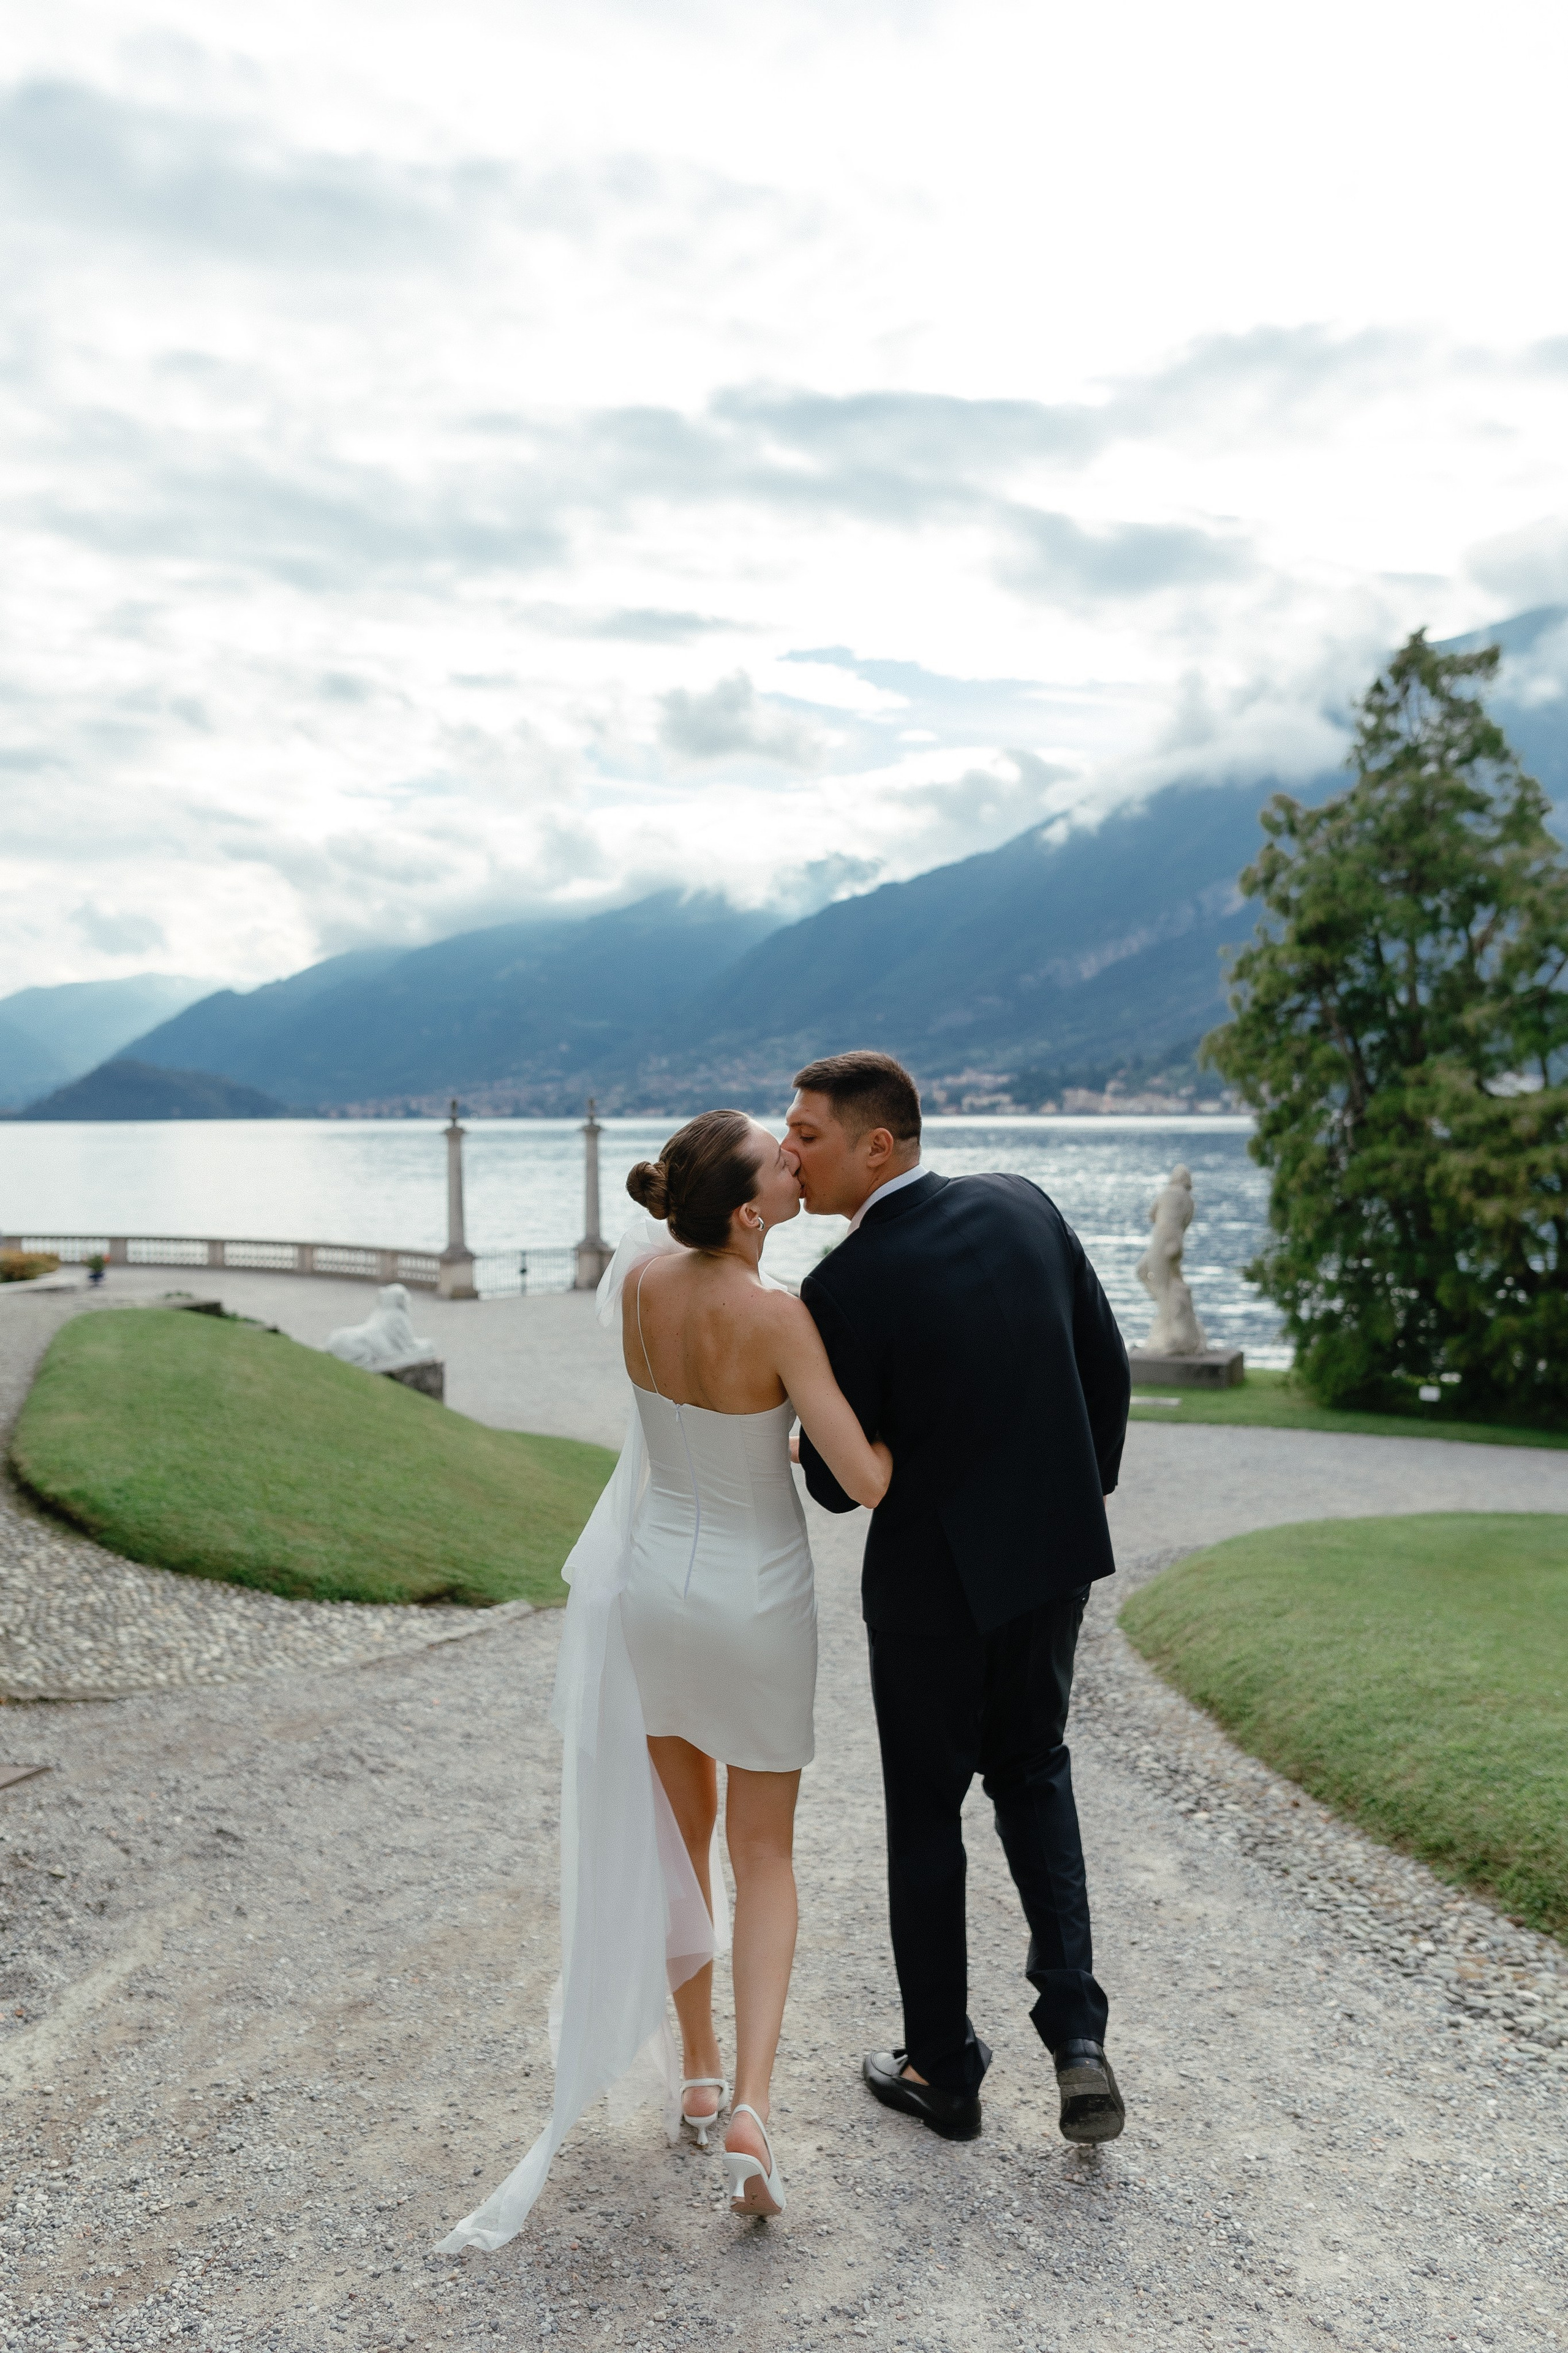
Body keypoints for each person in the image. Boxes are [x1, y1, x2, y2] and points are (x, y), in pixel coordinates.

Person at [438, 1109, 889, 2252]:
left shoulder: (639, 1284)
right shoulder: (780, 1316)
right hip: (757, 1600)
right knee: (765, 1851)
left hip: (655, 1592)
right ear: (748, 1211)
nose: (797, 1161)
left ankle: (692, 2072)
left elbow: (686, 1419)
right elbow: (867, 1479)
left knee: (682, 1839)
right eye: (780, 1159)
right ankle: (751, 2108)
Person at [783, 1051, 1131, 2145]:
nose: (790, 1151)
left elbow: (844, 1487)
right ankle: (1076, 2035)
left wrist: (808, 1450)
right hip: (1051, 1560)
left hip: (931, 1588)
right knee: (1033, 1772)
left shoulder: (840, 1288)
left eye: (808, 1135)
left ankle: (944, 2067)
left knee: (928, 1813)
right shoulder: (1025, 1202)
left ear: (876, 1144)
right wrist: (1069, 1499)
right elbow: (1106, 1369)